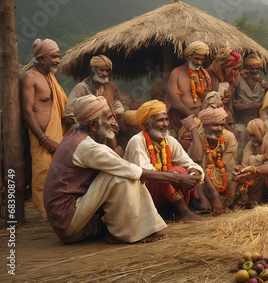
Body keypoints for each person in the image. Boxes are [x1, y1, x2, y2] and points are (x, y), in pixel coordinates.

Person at [44, 96, 201, 244]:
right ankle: (124, 233)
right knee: (122, 175)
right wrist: (179, 179)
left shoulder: (78, 132)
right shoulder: (86, 146)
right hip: (68, 221)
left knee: (121, 171)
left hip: (68, 218)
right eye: (109, 118)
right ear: (93, 125)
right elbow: (132, 169)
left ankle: (133, 227)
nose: (115, 122)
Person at [123, 100, 205, 221]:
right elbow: (146, 173)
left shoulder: (168, 140)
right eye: (160, 120)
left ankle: (175, 213)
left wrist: (194, 173)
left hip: (165, 196)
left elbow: (188, 162)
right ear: (147, 124)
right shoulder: (137, 141)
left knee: (181, 171)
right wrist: (178, 177)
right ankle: (184, 213)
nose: (165, 124)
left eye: (166, 119)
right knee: (173, 173)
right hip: (143, 196)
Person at [20, 38, 68, 217]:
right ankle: (47, 214)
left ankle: (59, 212)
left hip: (58, 137)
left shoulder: (51, 78)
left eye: (58, 56)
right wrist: (44, 139)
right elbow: (27, 111)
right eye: (54, 57)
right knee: (43, 175)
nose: (58, 60)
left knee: (60, 176)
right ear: (42, 59)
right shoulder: (29, 78)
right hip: (42, 139)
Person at [194, 107, 236, 210]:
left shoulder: (229, 137)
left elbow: (227, 165)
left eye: (221, 125)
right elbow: (198, 163)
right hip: (203, 177)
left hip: (224, 174)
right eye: (215, 125)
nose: (219, 129)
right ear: (205, 126)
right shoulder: (199, 138)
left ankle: (227, 203)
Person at [64, 55, 124, 125]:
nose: (104, 73)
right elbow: (69, 116)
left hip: (107, 127)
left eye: (107, 71)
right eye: (101, 70)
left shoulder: (112, 88)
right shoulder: (82, 87)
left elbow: (118, 110)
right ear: (94, 70)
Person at [166, 41, 211, 129]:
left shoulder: (202, 74)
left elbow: (206, 95)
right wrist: (194, 118)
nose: (199, 63)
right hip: (182, 120)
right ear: (187, 57)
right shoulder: (176, 73)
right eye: (196, 59)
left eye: (202, 60)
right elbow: (176, 103)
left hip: (200, 118)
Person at [238, 119, 268, 207]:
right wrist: (265, 156)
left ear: (262, 132)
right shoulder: (251, 143)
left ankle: (254, 201)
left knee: (259, 172)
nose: (252, 139)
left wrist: (261, 162)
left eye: (255, 135)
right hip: (256, 168)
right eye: (251, 136)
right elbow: (246, 160)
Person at [205, 47, 242, 140]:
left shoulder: (229, 81)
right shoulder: (207, 76)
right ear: (225, 68)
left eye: (238, 69)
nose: (237, 73)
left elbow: (228, 108)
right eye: (234, 69)